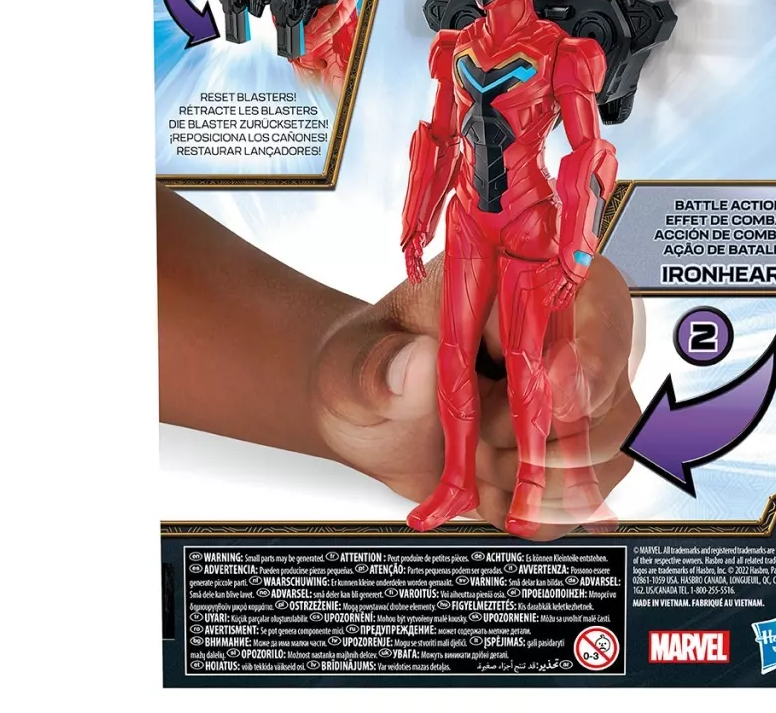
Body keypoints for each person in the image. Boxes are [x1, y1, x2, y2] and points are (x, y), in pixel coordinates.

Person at [157, 184, 640, 539]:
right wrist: (417, 228)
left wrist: (321, 368)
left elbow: (588, 162)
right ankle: (462, 482)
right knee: (471, 360)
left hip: (522, 225)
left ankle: (548, 482)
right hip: (475, 220)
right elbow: (436, 147)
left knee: (542, 367)